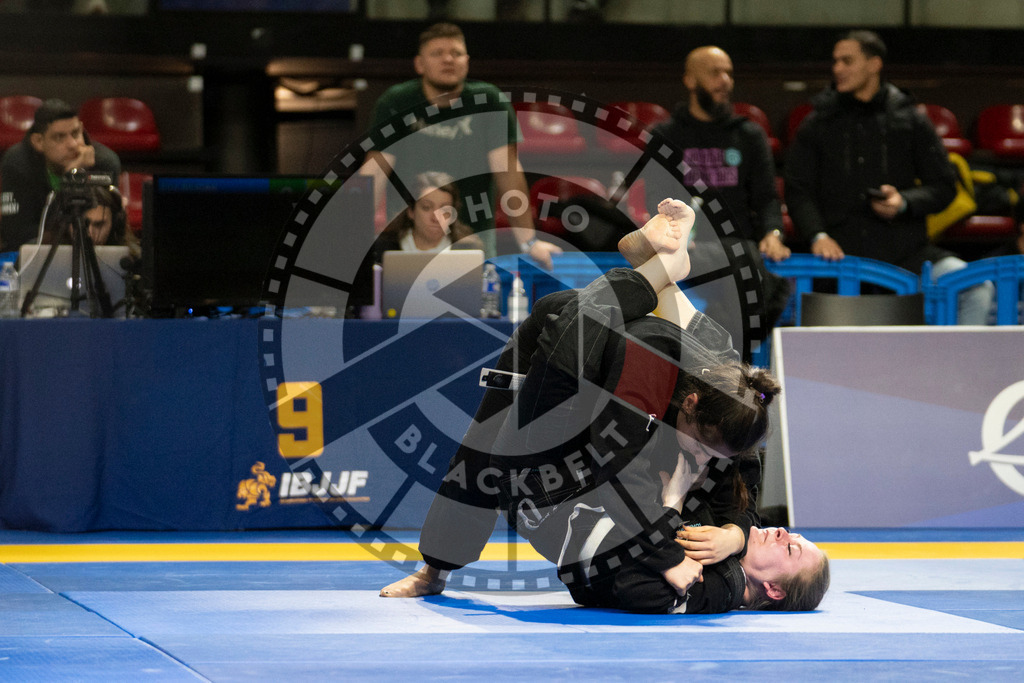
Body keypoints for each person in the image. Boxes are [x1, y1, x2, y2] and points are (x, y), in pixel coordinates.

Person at [379, 198, 788, 610]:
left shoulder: (742, 417)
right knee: (485, 446)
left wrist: (735, 534)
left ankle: (662, 267)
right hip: (569, 339)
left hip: (631, 348)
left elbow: (742, 492)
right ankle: (434, 570)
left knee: (709, 357)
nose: (701, 456)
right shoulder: (660, 373)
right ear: (691, 405)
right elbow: (618, 473)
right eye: (700, 443)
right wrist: (665, 555)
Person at [785, 30, 993, 324]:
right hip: (839, 260)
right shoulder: (817, 122)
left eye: (847, 61)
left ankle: (966, 370)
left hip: (906, 255)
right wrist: (817, 235)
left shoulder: (910, 119)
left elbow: (945, 186)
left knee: (976, 286)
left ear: (874, 64)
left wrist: (904, 202)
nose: (837, 69)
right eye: (835, 62)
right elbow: (797, 189)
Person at [359, 22, 561, 268]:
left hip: (473, 235)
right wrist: (355, 240)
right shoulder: (396, 102)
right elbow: (374, 173)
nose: (448, 59)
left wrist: (529, 242)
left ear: (466, 60)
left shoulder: (489, 101)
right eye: (437, 53)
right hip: (410, 236)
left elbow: (507, 173)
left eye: (456, 53)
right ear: (419, 64)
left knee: (477, 304)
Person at [649, 45, 792, 347]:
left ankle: (723, 353)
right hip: (687, 250)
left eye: (728, 73)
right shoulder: (665, 136)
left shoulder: (749, 134)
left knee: (746, 265)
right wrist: (676, 234)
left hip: (740, 248)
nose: (725, 80)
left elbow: (767, 197)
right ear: (690, 80)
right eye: (715, 73)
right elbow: (657, 200)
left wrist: (773, 233)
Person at [0, 99, 122, 254]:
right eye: (59, 137)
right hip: (32, 257)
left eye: (76, 133)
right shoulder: (17, 164)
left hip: (95, 255)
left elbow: (111, 233)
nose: (72, 144)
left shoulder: (104, 163)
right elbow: (16, 236)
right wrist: (70, 179)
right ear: (38, 141)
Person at [370, 171, 482, 259]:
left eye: (445, 210)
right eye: (427, 208)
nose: (436, 218)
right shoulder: (383, 249)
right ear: (411, 211)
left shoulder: (468, 250)